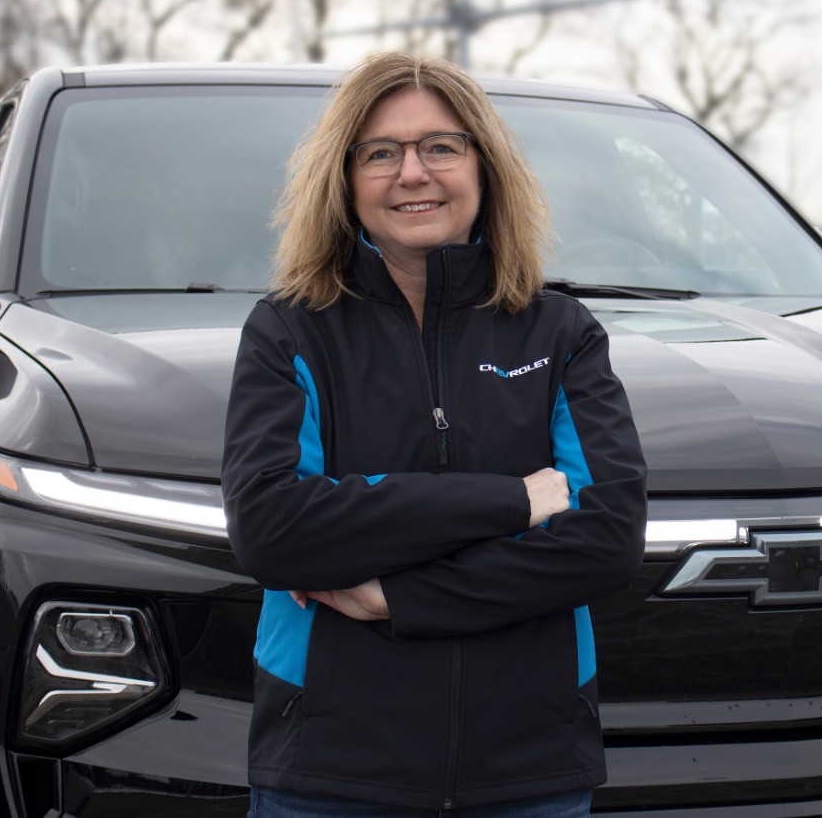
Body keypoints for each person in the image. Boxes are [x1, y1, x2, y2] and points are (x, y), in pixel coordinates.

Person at [221, 52, 648, 817]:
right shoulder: (288, 332)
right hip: (328, 772)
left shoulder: (561, 335)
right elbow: (273, 530)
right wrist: (511, 502)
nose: (412, 172)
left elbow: (606, 537)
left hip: (530, 771)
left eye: (440, 147)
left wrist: (398, 596)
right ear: (344, 179)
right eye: (380, 152)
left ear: (484, 167)